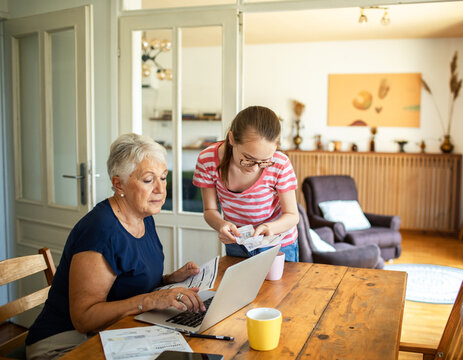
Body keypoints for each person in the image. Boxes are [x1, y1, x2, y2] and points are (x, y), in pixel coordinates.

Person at [26, 133, 206, 360]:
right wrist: (151, 300)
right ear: (118, 183)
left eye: (163, 177)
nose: (161, 189)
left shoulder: (143, 215)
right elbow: (83, 319)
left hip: (115, 332)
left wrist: (168, 280)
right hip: (65, 345)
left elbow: (126, 282)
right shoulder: (101, 230)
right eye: (149, 180)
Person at [193, 106, 299, 261]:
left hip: (279, 244)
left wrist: (269, 228)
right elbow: (209, 210)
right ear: (232, 139)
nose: (255, 168)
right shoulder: (208, 160)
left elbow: (292, 215)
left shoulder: (279, 163)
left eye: (264, 161)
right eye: (248, 158)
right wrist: (221, 225)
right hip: (237, 244)